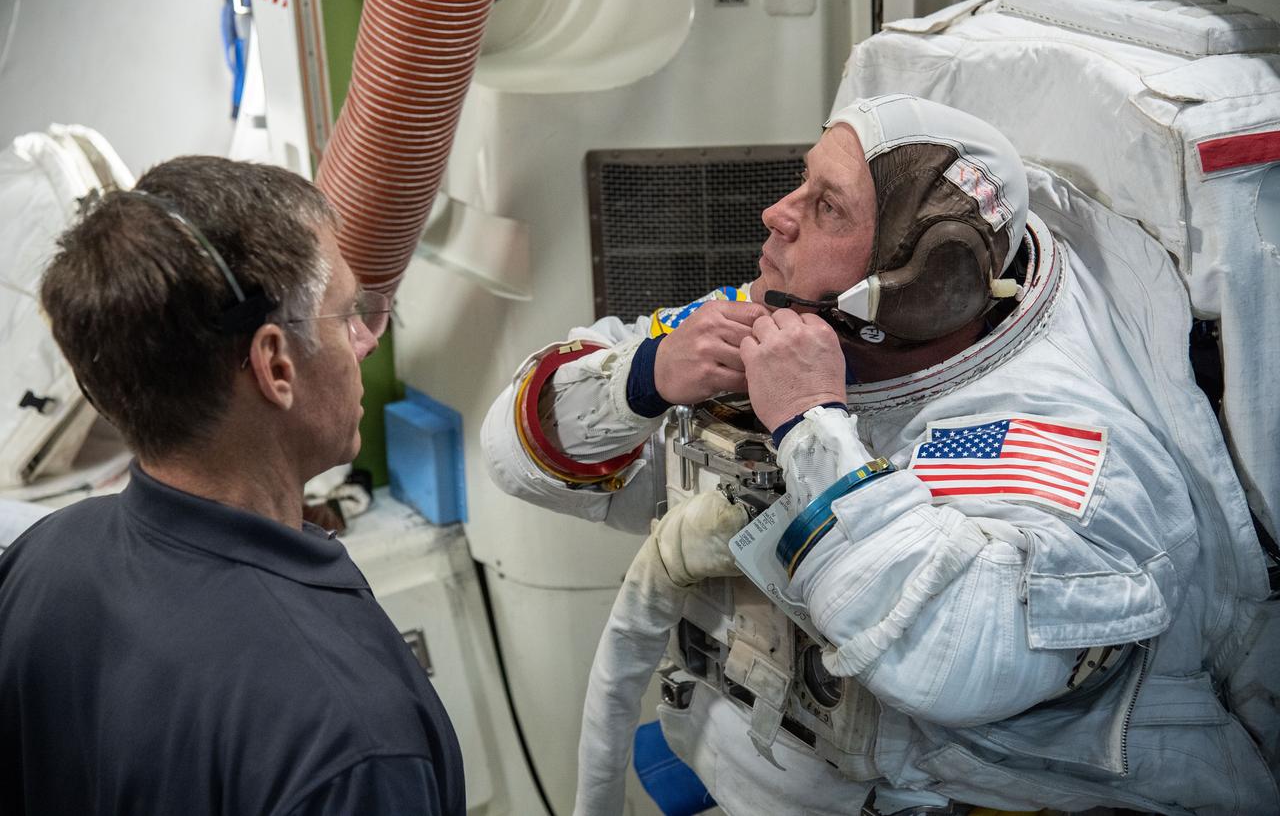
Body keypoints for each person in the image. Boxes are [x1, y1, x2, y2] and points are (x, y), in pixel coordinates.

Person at [482, 95, 1279, 815]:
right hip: (744, 761)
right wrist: (642, 377)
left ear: (924, 278)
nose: (775, 214)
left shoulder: (1062, 439)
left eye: (824, 205)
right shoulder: (786, 322)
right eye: (802, 183)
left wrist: (811, 425)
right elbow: (512, 455)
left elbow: (945, 656)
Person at [0, 156, 465, 815]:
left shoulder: (42, 561)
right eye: (344, 316)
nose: (363, 341)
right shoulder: (349, 740)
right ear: (276, 364)